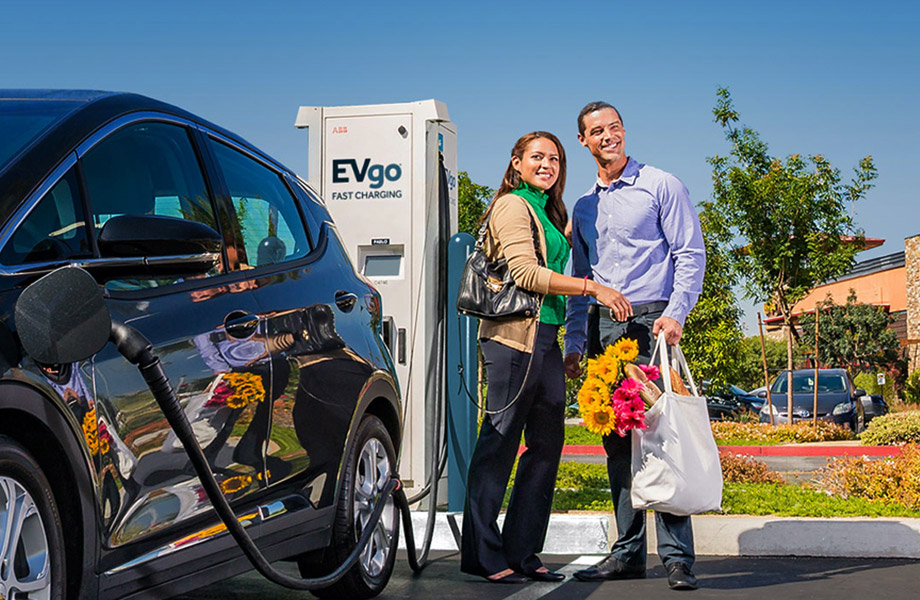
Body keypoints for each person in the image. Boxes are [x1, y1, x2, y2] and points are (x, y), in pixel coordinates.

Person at [460, 131, 631, 584]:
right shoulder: (513, 205)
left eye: (554, 158)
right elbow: (526, 273)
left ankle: (522, 550)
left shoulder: (547, 210)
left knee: (546, 446)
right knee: (498, 444)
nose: (547, 164)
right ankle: (483, 553)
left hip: (546, 339)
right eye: (537, 157)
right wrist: (593, 287)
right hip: (512, 339)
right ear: (516, 162)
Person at [564, 102, 706, 591]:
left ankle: (677, 558)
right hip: (606, 329)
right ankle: (626, 552)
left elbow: (690, 252)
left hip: (654, 322)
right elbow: (582, 279)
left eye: (615, 127)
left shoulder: (660, 184)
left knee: (662, 438)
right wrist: (575, 343)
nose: (609, 136)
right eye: (597, 131)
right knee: (617, 441)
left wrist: (675, 313)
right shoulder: (583, 207)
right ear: (583, 141)